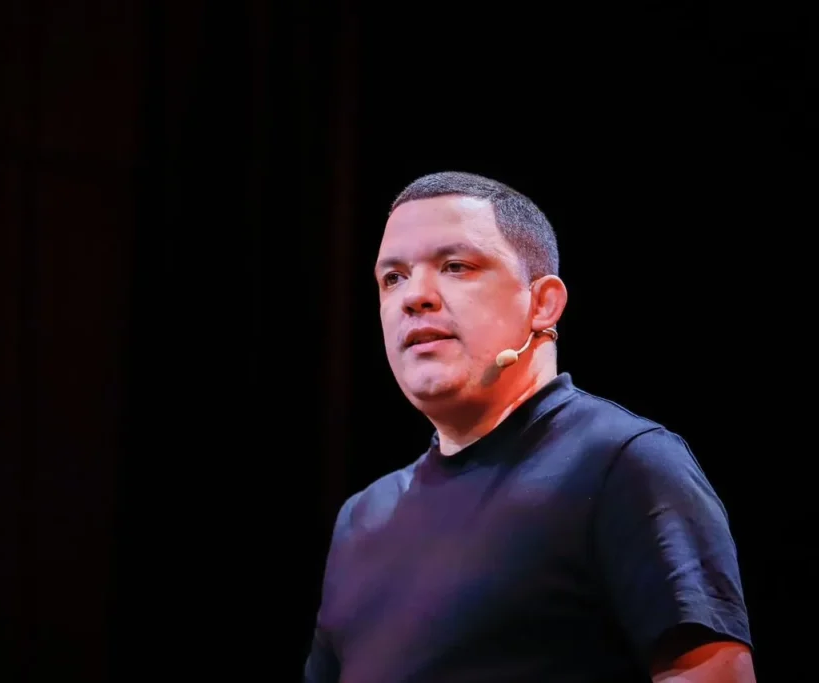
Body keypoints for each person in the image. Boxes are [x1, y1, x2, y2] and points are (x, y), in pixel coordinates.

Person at [303, 172, 755, 682]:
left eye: (455, 266)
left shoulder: (623, 464)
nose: (415, 296)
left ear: (543, 304)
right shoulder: (362, 518)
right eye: (393, 278)